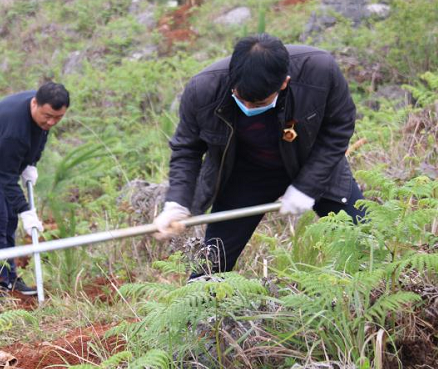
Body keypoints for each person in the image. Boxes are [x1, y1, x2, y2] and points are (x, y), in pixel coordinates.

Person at [153, 33, 365, 277]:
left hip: (314, 163)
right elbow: (187, 149)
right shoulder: (203, 89)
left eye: (260, 102)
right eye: (243, 99)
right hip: (246, 174)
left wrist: (307, 186)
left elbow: (339, 128)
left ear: (284, 83)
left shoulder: (319, 71)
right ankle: (198, 310)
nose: (250, 107)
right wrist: (177, 202)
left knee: (365, 239)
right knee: (212, 263)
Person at [0, 82, 69, 295]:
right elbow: (6, 177)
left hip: (0, 161)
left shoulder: (42, 111)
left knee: (9, 218)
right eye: (48, 116)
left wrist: (31, 162)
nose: (52, 122)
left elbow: (40, 136)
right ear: (35, 103)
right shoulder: (14, 131)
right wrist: (26, 210)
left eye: (59, 118)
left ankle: (9, 276)